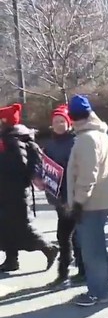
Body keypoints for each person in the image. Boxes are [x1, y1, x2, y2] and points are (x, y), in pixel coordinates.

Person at [66, 95, 108, 306]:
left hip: (90, 202)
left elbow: (87, 175)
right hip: (101, 199)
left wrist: (78, 202)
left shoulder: (86, 139)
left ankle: (98, 292)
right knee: (95, 245)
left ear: (74, 117)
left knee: (91, 252)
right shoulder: (98, 134)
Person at [0, 103, 59, 273]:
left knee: (22, 227)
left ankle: (48, 248)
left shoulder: (12, 140)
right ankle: (11, 260)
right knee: (4, 226)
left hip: (14, 192)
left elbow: (19, 165)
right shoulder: (10, 137)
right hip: (7, 191)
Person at [44, 105, 85, 287]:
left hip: (74, 197)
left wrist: (74, 198)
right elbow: (46, 168)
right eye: (56, 121)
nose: (59, 124)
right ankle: (71, 271)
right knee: (67, 236)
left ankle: (69, 272)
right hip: (59, 198)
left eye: (62, 121)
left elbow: (80, 172)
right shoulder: (49, 144)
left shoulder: (76, 142)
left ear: (69, 123)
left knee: (70, 236)